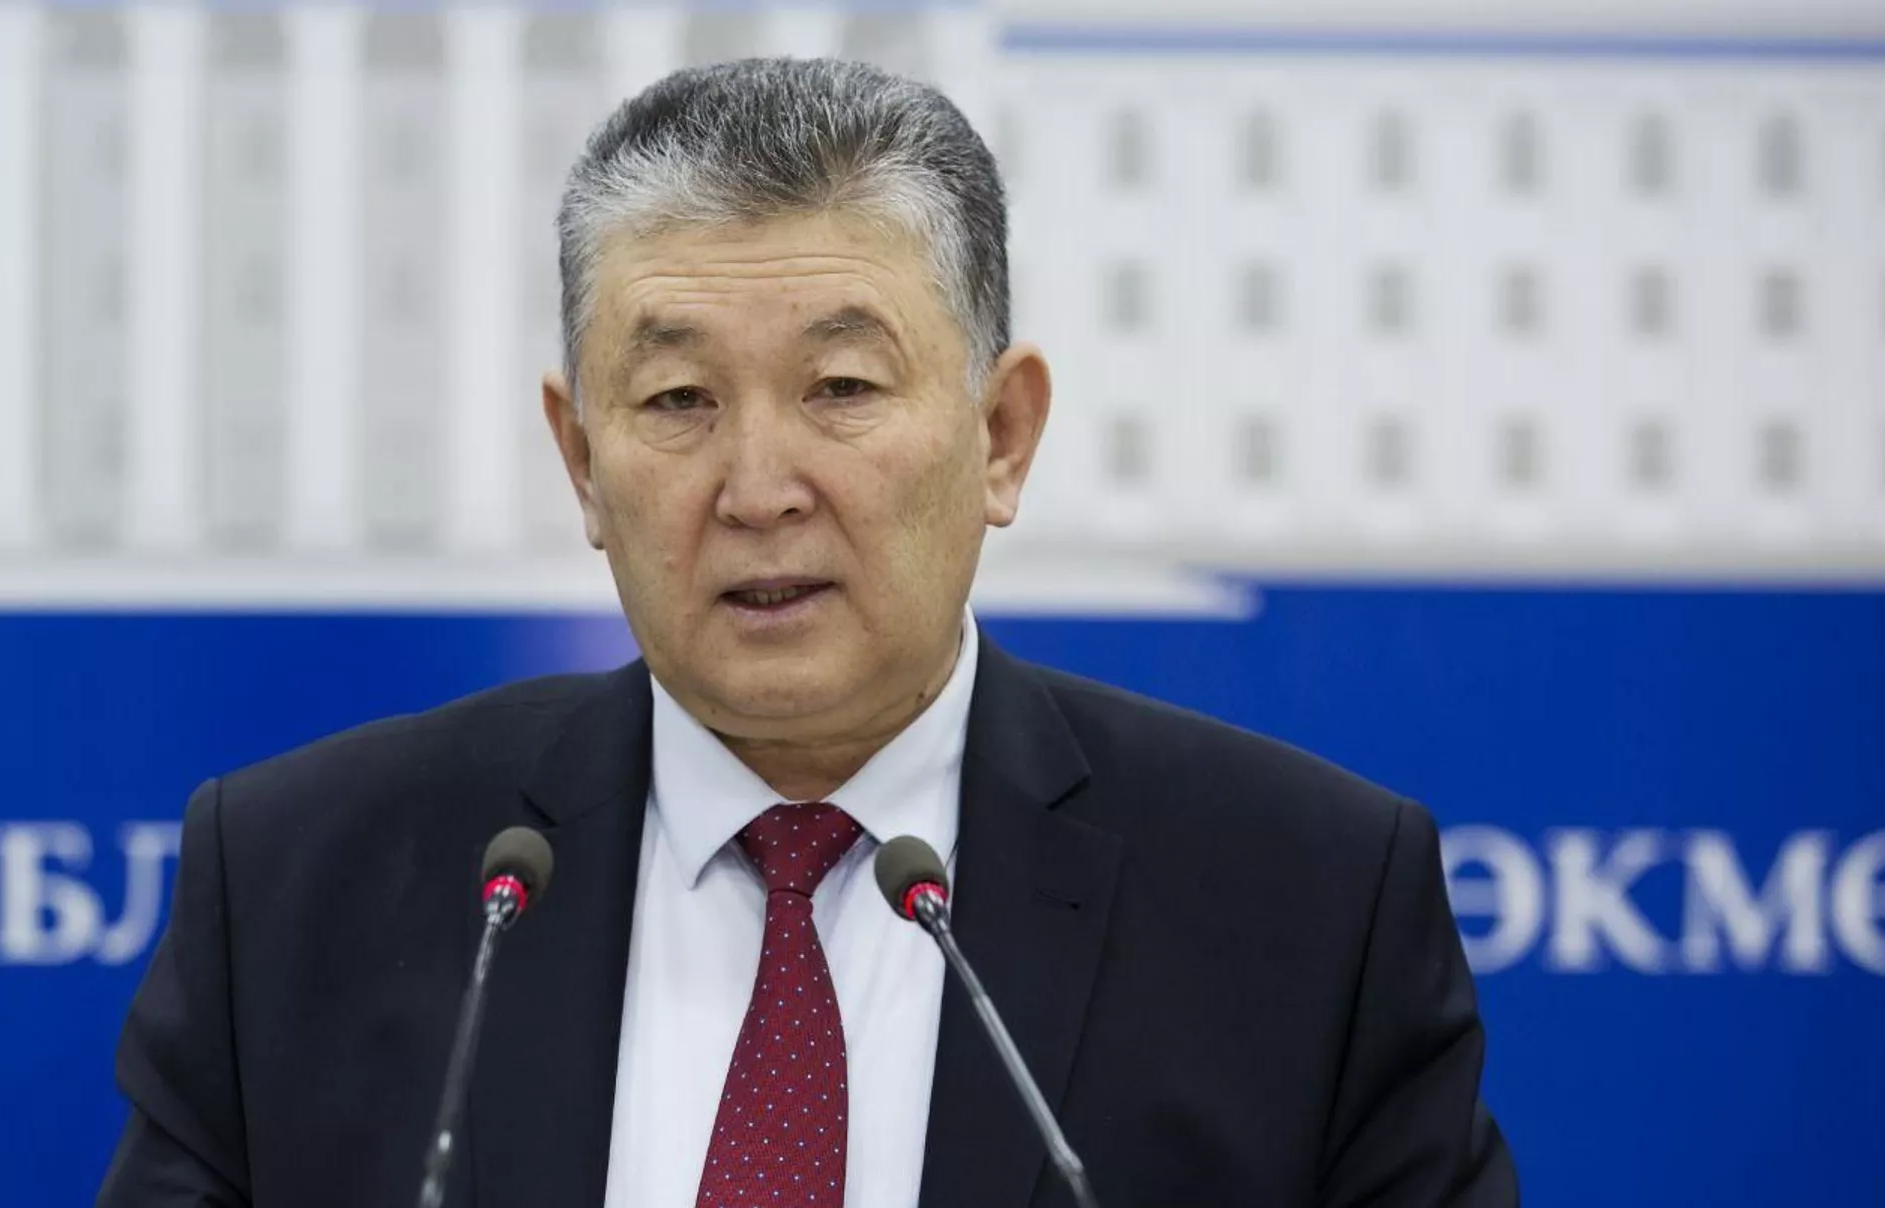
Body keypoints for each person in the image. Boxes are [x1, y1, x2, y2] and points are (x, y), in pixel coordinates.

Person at [98, 58, 1515, 1208]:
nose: (759, 489)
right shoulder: (294, 892)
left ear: (1002, 435)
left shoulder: (1306, 911)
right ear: (582, 464)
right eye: (677, 402)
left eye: (841, 387)